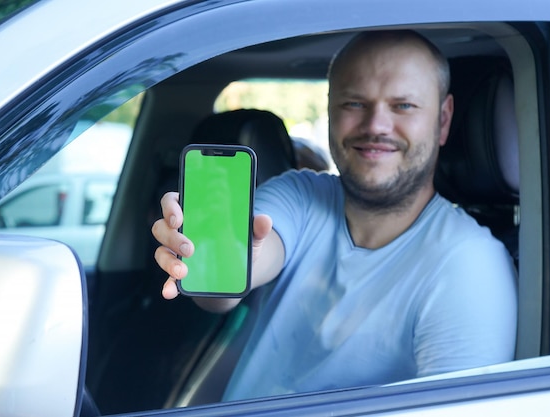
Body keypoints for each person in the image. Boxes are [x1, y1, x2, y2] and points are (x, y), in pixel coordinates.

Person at [152, 30, 517, 401]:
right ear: (329, 110)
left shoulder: (470, 265)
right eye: (354, 103)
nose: (376, 125)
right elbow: (228, 285)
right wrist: (211, 252)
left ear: (442, 120)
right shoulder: (300, 194)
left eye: (403, 105)